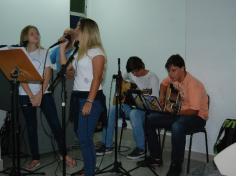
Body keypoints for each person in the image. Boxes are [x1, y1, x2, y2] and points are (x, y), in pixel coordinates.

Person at [18, 25, 76, 170]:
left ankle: (64, 154)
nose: (36, 35)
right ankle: (35, 158)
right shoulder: (21, 54)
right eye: (32, 33)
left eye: (37, 33)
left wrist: (39, 95)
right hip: (26, 95)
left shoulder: (45, 52)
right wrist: (32, 96)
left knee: (55, 124)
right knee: (31, 128)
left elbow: (48, 75)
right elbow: (20, 77)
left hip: (45, 94)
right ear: (25, 37)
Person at [143, 54, 208, 176]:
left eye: (173, 70)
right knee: (149, 119)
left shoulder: (194, 85)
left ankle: (176, 165)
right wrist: (162, 96)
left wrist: (175, 111)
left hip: (197, 117)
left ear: (182, 68)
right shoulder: (173, 78)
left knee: (177, 127)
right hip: (179, 113)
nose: (170, 74)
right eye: (169, 71)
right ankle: (155, 157)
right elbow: (163, 84)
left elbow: (194, 110)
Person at [60, 18, 106, 176]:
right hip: (77, 97)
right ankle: (89, 170)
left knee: (84, 138)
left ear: (87, 30)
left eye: (78, 26)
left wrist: (89, 101)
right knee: (83, 137)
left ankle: (89, 172)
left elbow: (97, 77)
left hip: (91, 98)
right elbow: (68, 72)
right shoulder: (78, 51)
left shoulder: (96, 52)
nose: (75, 28)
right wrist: (62, 50)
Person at [96, 56, 160, 160]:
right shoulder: (131, 73)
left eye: (136, 72)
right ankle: (107, 145)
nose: (134, 74)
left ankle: (141, 148)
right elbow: (122, 79)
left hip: (145, 110)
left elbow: (154, 100)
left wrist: (141, 95)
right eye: (132, 72)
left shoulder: (152, 77)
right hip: (131, 107)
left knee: (134, 113)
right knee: (112, 109)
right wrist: (123, 88)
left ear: (142, 67)